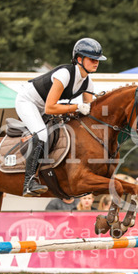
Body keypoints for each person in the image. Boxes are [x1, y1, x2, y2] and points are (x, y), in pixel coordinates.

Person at [15, 38, 106, 197]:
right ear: (79, 59)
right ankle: (29, 182)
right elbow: (50, 108)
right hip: (28, 102)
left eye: (97, 60)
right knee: (42, 134)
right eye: (92, 59)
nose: (96, 62)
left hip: (45, 106)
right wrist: (77, 107)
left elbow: (88, 112)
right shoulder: (64, 74)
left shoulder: (88, 83)